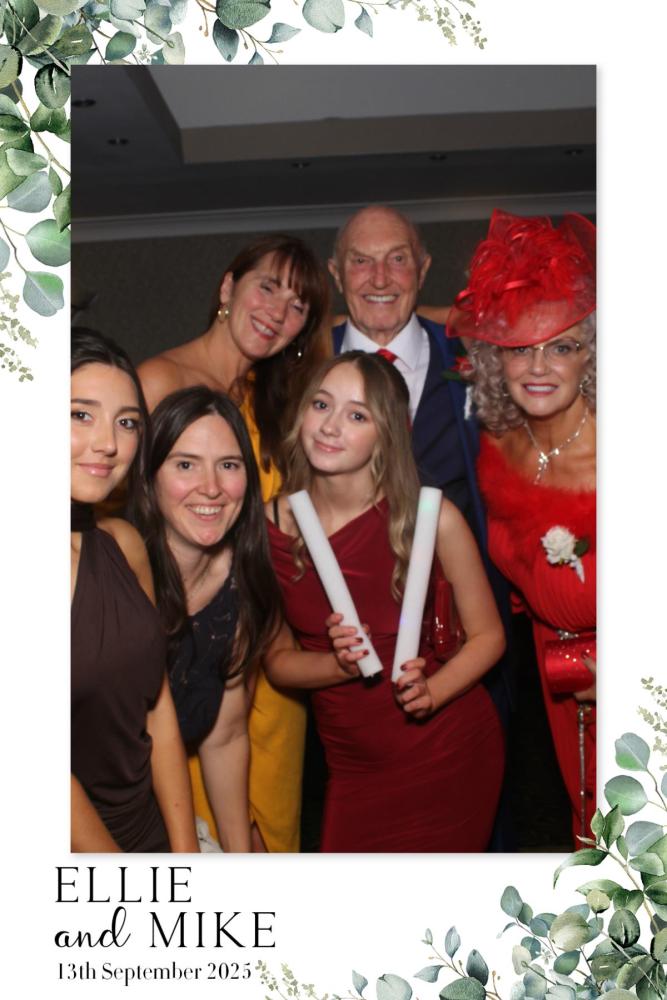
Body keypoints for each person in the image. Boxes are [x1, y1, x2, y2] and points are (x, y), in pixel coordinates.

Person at [264, 351, 506, 852]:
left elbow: (489, 637)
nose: (330, 426)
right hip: (351, 767)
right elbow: (277, 664)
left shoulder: (431, 519)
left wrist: (433, 691)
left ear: (387, 433)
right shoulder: (267, 528)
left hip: (447, 752)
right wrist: (339, 664)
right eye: (321, 404)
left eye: (357, 415)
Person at [138, 234, 331, 852]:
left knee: (267, 834)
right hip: (179, 646)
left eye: (298, 306)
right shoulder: (159, 381)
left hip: (260, 648)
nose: (278, 311)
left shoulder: (274, 403)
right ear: (227, 286)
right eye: (267, 287)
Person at [447, 208, 596, 843]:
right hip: (553, 680)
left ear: (591, 356)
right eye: (518, 348)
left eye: (561, 346)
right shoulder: (498, 442)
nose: (538, 366)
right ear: (492, 360)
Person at [132, 387, 283, 851]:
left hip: (164, 821)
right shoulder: (115, 576)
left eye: (229, 465)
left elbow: (226, 736)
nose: (212, 487)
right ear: (148, 476)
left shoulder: (243, 580)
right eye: (185, 465)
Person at [71, 328, 198, 853]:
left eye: (127, 422)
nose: (108, 442)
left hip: (151, 833)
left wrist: (185, 853)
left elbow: (156, 705)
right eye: (80, 415)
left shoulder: (123, 544)